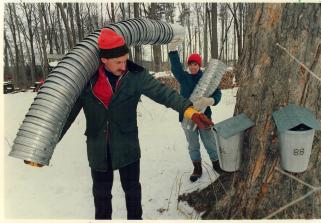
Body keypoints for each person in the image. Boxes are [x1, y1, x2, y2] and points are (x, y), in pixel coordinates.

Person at [25, 28, 214, 220]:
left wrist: (189, 111)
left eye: (125, 60)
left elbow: (164, 94)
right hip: (98, 148)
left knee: (132, 193)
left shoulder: (135, 76)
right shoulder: (86, 81)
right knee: (101, 198)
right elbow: (66, 116)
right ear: (104, 60)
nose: (124, 66)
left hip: (127, 146)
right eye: (119, 62)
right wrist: (42, 148)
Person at [168, 40, 224, 183]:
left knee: (209, 141)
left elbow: (217, 93)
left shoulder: (207, 78)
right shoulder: (184, 77)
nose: (193, 67)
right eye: (191, 64)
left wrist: (210, 101)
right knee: (193, 144)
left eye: (195, 64)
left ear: (199, 65)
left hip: (204, 117)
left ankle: (217, 164)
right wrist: (173, 51)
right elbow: (175, 68)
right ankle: (197, 168)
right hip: (187, 117)